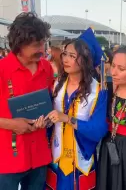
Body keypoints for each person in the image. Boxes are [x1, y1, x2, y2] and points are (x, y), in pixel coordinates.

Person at [45, 29, 108, 190]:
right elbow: (49, 122)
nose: (65, 59)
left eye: (72, 56)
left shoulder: (99, 91)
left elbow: (98, 129)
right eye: (65, 54)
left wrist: (67, 118)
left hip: (81, 159)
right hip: (56, 157)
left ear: (85, 60)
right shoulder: (57, 85)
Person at [0, 12, 53, 190]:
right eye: (36, 45)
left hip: (39, 155)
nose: (42, 49)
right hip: (8, 159)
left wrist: (47, 119)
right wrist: (11, 124)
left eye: (43, 43)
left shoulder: (46, 67)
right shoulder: (2, 70)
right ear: (19, 45)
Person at [97, 45, 126, 190]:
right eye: (113, 66)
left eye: (121, 69)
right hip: (108, 148)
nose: (113, 72)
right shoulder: (107, 89)